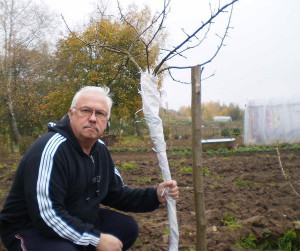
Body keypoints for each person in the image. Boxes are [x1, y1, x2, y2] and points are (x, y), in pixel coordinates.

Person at [0, 86, 179, 251]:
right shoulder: (50, 149)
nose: (93, 118)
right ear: (71, 113)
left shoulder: (100, 149)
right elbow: (47, 215)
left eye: (100, 113)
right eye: (86, 111)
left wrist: (154, 195)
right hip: (29, 227)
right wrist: (96, 239)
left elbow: (115, 193)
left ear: (107, 120)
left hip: (74, 217)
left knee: (126, 228)